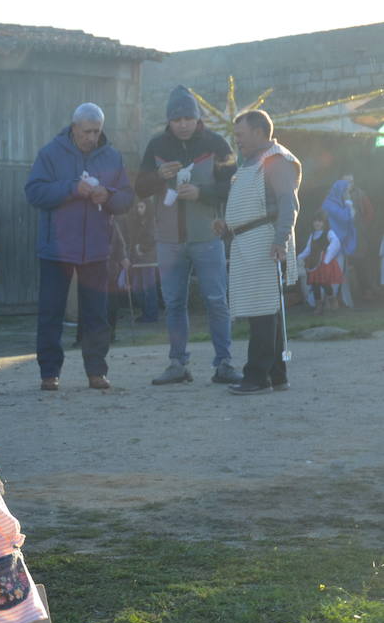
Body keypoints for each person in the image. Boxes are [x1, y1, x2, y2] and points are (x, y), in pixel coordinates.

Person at [24, 102, 134, 391]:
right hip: (56, 250)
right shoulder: (49, 154)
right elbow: (34, 192)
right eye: (87, 131)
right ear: (74, 128)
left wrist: (107, 195)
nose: (92, 137)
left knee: (96, 314)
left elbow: (126, 199)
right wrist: (72, 189)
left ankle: (96, 372)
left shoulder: (112, 156)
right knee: (51, 313)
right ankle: (49, 374)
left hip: (97, 249)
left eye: (97, 131)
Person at [135, 86, 240, 386]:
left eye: (188, 118)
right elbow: (140, 188)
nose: (182, 124)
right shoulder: (156, 145)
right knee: (174, 302)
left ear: (197, 118)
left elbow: (233, 187)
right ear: (168, 120)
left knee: (217, 300)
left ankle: (224, 364)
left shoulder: (217, 144)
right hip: (168, 239)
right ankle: (177, 364)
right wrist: (159, 177)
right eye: (176, 118)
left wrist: (201, 193)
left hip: (207, 236)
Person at [217, 109, 300, 395]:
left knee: (263, 311)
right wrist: (227, 227)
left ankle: (257, 376)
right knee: (265, 311)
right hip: (250, 243)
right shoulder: (251, 163)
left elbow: (288, 204)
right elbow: (252, 206)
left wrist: (279, 240)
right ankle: (276, 374)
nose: (236, 139)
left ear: (258, 131)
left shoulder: (276, 160)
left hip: (265, 242)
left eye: (240, 134)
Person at [122, 198, 161, 323]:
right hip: (136, 259)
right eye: (138, 207)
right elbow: (131, 239)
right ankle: (146, 313)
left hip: (149, 259)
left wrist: (142, 247)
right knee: (136, 287)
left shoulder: (153, 221)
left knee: (148, 287)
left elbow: (155, 238)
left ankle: (151, 315)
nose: (139, 209)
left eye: (142, 207)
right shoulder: (135, 222)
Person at [321, 178, 357, 308]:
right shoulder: (329, 204)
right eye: (346, 191)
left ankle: (337, 302)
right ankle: (327, 302)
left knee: (339, 273)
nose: (347, 193)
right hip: (331, 244)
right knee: (330, 274)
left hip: (341, 244)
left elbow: (350, 219)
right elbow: (344, 218)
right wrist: (348, 203)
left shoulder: (342, 204)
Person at [297, 211, 342, 314]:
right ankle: (318, 306)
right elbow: (308, 249)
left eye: (320, 221)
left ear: (325, 222)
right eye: (315, 221)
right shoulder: (312, 235)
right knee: (315, 284)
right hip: (314, 263)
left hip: (325, 263)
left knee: (325, 283)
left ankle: (332, 300)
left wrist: (328, 255)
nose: (317, 223)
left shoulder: (329, 233)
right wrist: (300, 257)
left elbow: (336, 242)